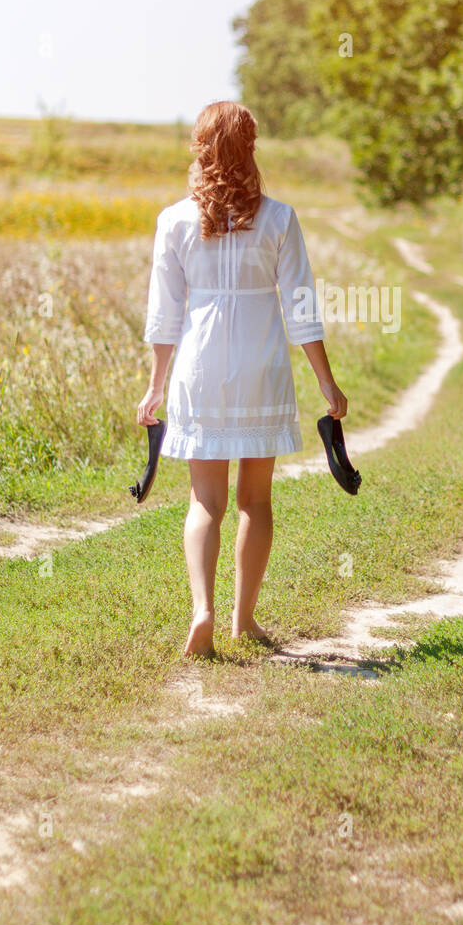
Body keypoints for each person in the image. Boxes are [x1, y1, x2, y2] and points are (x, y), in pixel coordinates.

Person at [137, 100, 347, 657]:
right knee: (255, 500)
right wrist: (327, 383)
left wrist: (155, 387)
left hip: (199, 365)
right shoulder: (279, 218)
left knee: (205, 501)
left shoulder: (173, 220)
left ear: (200, 149)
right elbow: (301, 308)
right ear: (250, 148)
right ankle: (244, 620)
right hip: (261, 363)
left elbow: (165, 314)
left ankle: (201, 610)